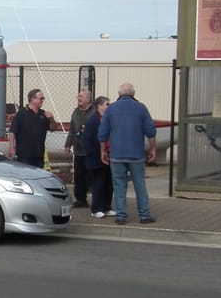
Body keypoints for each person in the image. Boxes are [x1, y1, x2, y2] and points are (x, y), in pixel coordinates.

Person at [97, 82, 156, 225]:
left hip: (117, 155)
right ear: (133, 94)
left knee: (119, 186)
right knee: (140, 185)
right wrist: (153, 149)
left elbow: (102, 133)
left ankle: (121, 216)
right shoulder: (141, 108)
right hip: (136, 155)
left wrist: (103, 151)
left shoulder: (111, 109)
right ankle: (145, 215)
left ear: (119, 94)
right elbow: (150, 131)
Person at [81, 96, 116, 218]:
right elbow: (87, 139)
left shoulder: (108, 119)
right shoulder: (93, 120)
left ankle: (107, 206)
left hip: (109, 156)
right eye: (107, 104)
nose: (109, 106)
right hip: (97, 158)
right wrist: (95, 153)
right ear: (99, 106)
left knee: (108, 183)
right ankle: (96, 209)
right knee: (99, 183)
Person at [7, 89, 54, 168]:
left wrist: (52, 119)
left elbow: (52, 128)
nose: (42, 100)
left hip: (39, 154)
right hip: (24, 154)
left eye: (43, 98)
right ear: (32, 99)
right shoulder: (21, 113)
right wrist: (11, 147)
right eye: (40, 98)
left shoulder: (43, 113)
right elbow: (12, 131)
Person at [63, 90, 95, 207]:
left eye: (81, 96)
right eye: (78, 96)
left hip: (91, 150)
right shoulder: (75, 112)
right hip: (78, 149)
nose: (78, 98)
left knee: (92, 175)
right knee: (79, 176)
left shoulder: (94, 112)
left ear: (88, 99)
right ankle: (81, 199)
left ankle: (97, 198)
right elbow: (72, 130)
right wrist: (68, 144)